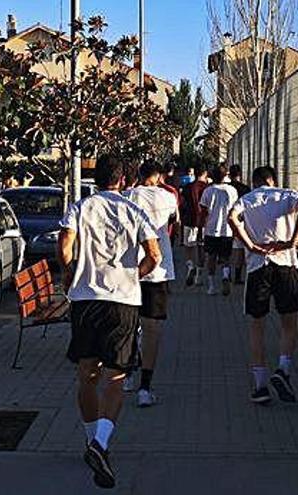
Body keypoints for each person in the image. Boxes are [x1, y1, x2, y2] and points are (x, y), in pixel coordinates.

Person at [58, 155, 161, 489]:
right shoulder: (135, 211)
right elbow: (155, 255)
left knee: (86, 374)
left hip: (86, 301)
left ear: (97, 178)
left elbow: (65, 244)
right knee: (115, 378)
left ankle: (90, 439)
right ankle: (101, 444)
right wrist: (134, 275)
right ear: (123, 180)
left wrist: (71, 273)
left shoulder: (80, 207)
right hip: (122, 302)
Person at [227, 166, 298, 404]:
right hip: (286, 264)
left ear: (254, 182)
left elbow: (231, 218)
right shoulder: (287, 195)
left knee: (257, 325)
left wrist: (250, 245)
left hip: (258, 266)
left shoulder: (247, 199)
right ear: (272, 180)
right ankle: (283, 369)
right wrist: (292, 242)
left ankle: (260, 385)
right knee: (289, 321)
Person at [124, 161, 178, 408]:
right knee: (152, 327)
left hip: (129, 268)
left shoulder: (127, 196)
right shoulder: (167, 197)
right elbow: (172, 220)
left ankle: (126, 373)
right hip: (158, 269)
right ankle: (145, 387)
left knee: (130, 323)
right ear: (158, 176)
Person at [198, 165, 238, 296]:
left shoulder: (208, 191)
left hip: (211, 229)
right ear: (225, 175)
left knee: (211, 256)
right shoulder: (232, 190)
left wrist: (200, 229)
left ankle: (211, 285)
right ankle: (225, 275)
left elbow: (203, 212)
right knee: (226, 257)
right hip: (227, 229)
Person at [180, 166, 209, 286]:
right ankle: (199, 275)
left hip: (189, 220)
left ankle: (190, 266)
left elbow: (182, 204)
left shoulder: (187, 187)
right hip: (203, 222)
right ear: (205, 174)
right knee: (201, 248)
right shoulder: (207, 188)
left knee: (189, 247)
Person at [228, 165, 251, 285]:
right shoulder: (245, 189)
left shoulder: (227, 188)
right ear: (240, 174)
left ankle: (226, 272)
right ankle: (237, 275)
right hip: (240, 221)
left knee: (228, 250)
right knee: (239, 249)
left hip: (226, 222)